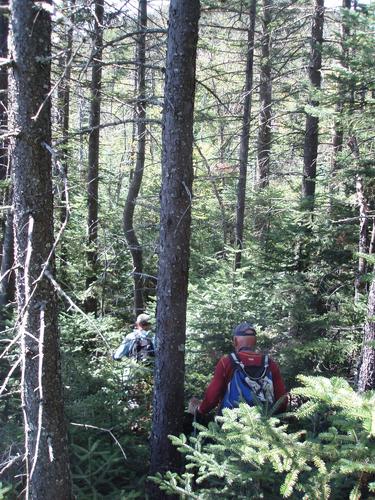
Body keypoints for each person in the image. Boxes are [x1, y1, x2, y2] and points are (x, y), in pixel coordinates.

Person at [189, 321, 288, 415]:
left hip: (231, 424)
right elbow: (282, 400)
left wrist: (200, 409)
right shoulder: (270, 363)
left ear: (235, 341)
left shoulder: (226, 362)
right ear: (255, 341)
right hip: (265, 424)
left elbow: (212, 397)